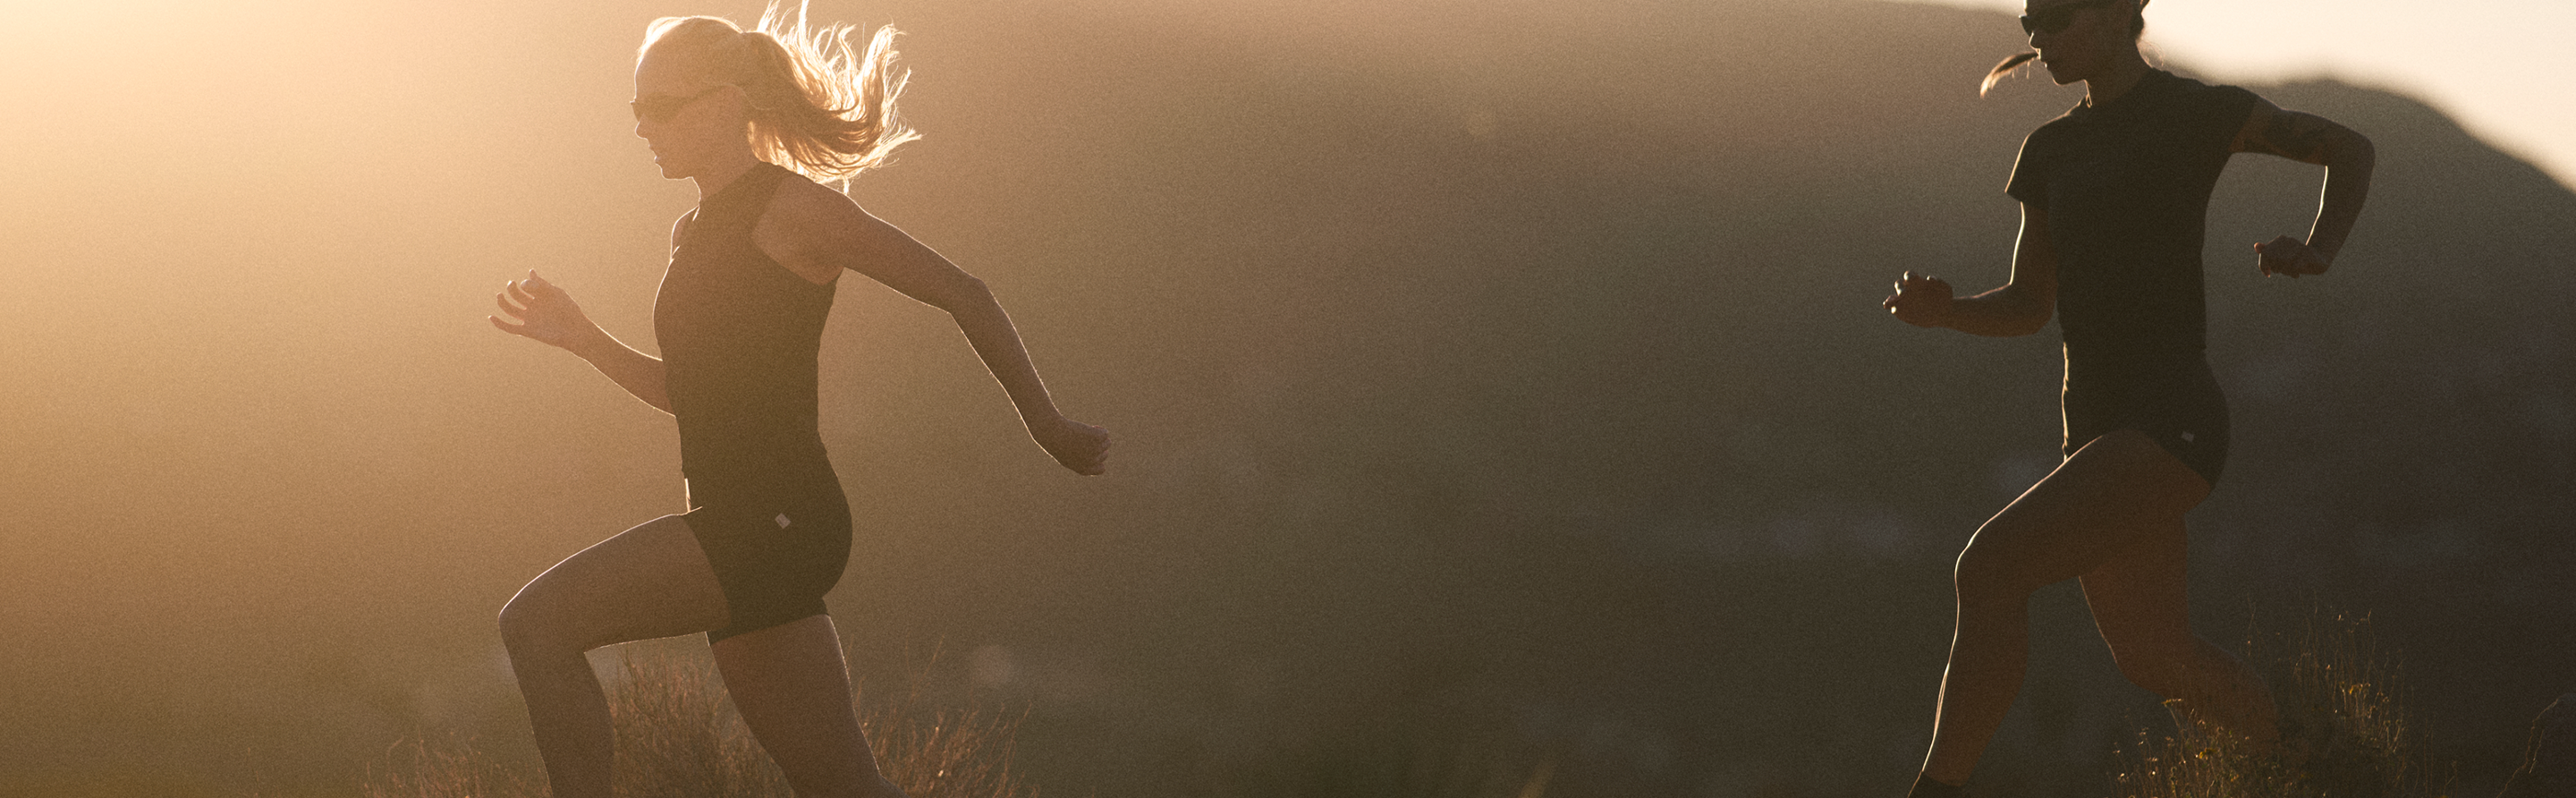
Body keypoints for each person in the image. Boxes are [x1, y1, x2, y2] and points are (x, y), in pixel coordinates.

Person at [486, 4, 1110, 797]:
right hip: (750, 528)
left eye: (661, 106)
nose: (643, 126)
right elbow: (696, 397)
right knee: (845, 788)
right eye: (637, 107)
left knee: (536, 624)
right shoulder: (691, 232)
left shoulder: (794, 211)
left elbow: (964, 291)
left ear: (723, 104)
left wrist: (1046, 425)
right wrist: (585, 339)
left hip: (776, 522)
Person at [1880, 0, 2372, 794]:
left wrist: (2319, 249)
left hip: (2171, 420)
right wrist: (1946, 313)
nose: (2038, 38)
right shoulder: (2050, 149)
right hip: (2096, 433)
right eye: (2029, 24)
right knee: (2154, 655)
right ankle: (2327, 769)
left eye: (2055, 17)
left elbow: (2350, 148)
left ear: (2116, 14)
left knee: (1990, 568)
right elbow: (2029, 304)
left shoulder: (2196, 113)